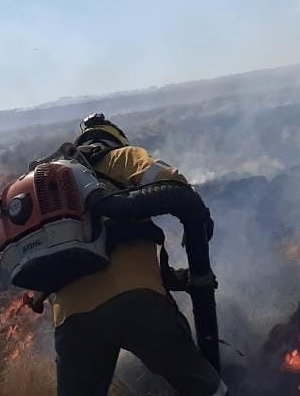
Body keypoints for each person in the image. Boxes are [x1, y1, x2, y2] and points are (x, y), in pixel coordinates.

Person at [53, 113, 227, 396]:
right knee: (206, 388)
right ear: (114, 139)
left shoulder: (58, 189)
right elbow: (174, 182)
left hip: (71, 320)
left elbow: (92, 253)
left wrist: (170, 278)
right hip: (137, 302)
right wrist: (200, 216)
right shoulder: (121, 157)